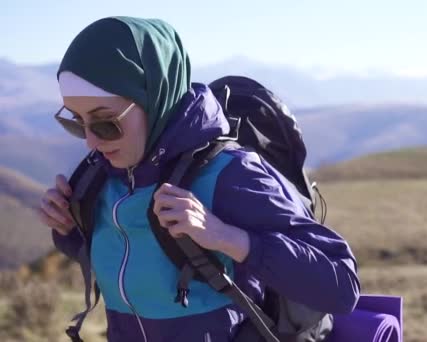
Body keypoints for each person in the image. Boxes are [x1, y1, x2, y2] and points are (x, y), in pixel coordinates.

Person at [37, 16, 360, 342]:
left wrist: (226, 237)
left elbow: (342, 286)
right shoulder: (99, 178)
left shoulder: (231, 175)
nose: (90, 142)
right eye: (76, 122)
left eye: (106, 124)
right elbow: (135, 265)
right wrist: (70, 227)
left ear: (155, 98)